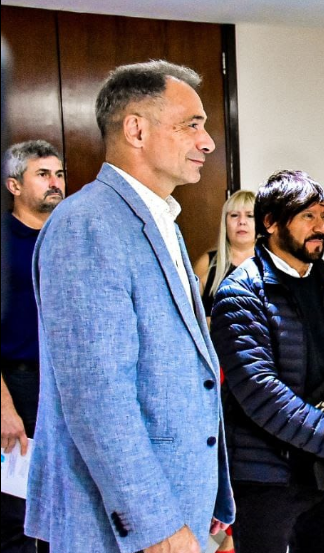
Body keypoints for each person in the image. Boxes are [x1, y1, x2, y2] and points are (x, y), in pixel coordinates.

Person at [26, 60, 234, 552]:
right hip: (119, 526)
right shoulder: (88, 224)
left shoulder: (161, 221)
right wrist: (155, 525)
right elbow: (99, 398)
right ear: (136, 130)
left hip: (177, 501)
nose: (207, 142)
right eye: (191, 125)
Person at [210, 169, 324, 553]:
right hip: (268, 475)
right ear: (270, 222)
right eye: (308, 216)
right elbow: (262, 393)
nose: (322, 228)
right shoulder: (239, 293)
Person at [1, 140, 64, 553]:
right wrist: (3, 407)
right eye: (42, 174)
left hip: (64, 385)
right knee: (17, 515)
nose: (55, 183)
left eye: (59, 174)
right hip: (17, 385)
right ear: (14, 185)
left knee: (67, 506)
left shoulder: (69, 237)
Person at [193, 189, 256, 317]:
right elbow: (188, 315)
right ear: (225, 222)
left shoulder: (273, 264)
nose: (242, 221)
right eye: (234, 215)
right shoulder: (206, 264)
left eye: (250, 215)